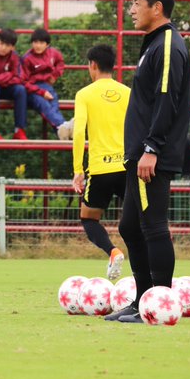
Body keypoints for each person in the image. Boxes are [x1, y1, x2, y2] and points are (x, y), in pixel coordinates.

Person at [109, 0, 190, 323]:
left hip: (152, 154)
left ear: (157, 8)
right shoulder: (153, 43)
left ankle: (159, 304)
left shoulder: (169, 43)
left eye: (136, 3)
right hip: (139, 152)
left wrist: (152, 148)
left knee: (152, 226)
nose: (131, 9)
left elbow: (166, 99)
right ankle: (143, 299)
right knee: (130, 225)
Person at [70, 45, 130, 282]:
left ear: (92, 65)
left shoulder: (84, 94)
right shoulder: (127, 92)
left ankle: (113, 252)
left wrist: (77, 170)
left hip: (100, 169)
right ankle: (148, 271)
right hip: (127, 168)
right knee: (142, 221)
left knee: (88, 219)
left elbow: (77, 134)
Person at [22, 28, 71, 138]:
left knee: (54, 105)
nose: (38, 46)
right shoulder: (27, 58)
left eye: (41, 43)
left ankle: (62, 132)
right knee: (45, 105)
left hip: (47, 86)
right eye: (35, 42)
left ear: (47, 44)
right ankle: (64, 126)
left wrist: (55, 75)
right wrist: (41, 92)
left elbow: (60, 62)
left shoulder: (53, 53)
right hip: (33, 90)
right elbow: (24, 82)